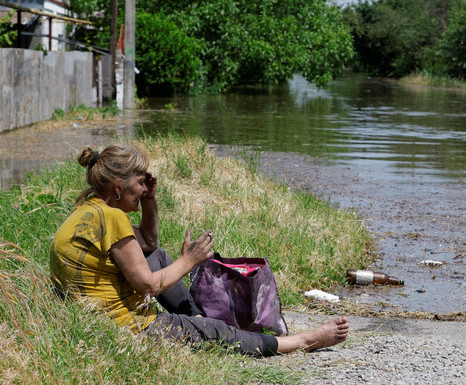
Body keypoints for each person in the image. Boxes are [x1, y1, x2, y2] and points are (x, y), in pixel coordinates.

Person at [50, 143, 349, 356]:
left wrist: (150, 201)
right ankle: (302, 342)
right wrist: (190, 260)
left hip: (95, 317)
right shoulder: (112, 217)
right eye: (141, 183)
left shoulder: (91, 211)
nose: (144, 188)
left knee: (157, 257)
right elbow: (149, 285)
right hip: (124, 327)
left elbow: (150, 246)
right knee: (219, 335)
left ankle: (197, 321)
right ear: (118, 186)